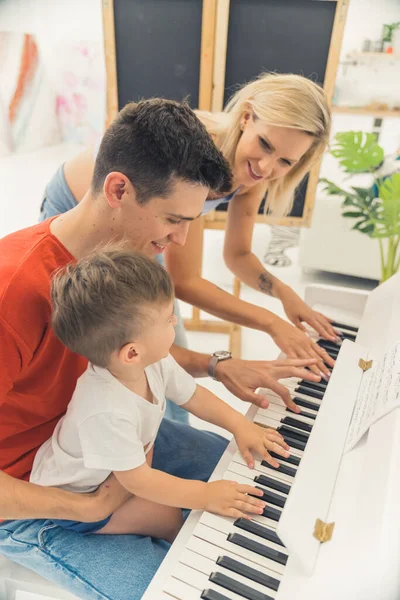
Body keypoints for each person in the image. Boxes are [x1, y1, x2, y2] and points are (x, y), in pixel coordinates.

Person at [0, 98, 319, 600]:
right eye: (174, 219)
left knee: (271, 488)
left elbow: (149, 360)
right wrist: (84, 507)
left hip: (105, 442)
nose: (180, 239)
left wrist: (220, 366)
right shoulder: (12, 290)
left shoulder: (121, 269)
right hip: (35, 492)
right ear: (118, 189)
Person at [39, 73, 338, 391]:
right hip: (82, 203)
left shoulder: (254, 174)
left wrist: (284, 293)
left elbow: (238, 255)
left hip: (147, 221)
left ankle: (165, 426)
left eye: (285, 161)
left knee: (160, 340)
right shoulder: (197, 151)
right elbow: (185, 282)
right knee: (111, 339)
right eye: (265, 144)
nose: (266, 167)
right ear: (247, 116)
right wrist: (270, 323)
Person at [31, 249, 289, 542]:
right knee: (167, 519)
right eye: (168, 319)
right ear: (132, 352)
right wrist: (205, 496)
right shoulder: (105, 409)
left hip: (123, 462)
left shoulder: (152, 361)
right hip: (80, 494)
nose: (175, 323)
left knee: (188, 490)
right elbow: (138, 481)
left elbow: (194, 396)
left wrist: (240, 425)